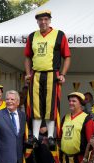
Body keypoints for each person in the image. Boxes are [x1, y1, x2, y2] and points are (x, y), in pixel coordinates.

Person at [24, 9, 71, 149]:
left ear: (49, 20)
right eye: (40, 20)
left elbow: (67, 56)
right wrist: (28, 73)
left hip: (53, 74)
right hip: (36, 74)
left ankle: (51, 136)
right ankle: (35, 137)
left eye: (46, 19)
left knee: (51, 105)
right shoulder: (32, 36)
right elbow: (27, 56)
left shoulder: (59, 35)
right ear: (37, 21)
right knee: (36, 105)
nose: (43, 22)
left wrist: (62, 74)